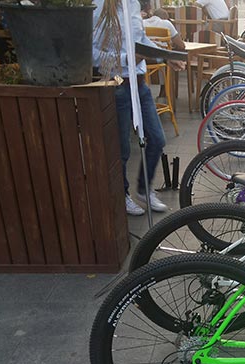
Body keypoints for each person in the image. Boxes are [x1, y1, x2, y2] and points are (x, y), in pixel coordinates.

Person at [92, 0, 186, 216]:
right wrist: (128, 59)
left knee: (157, 139)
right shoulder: (97, 6)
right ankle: (122, 194)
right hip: (115, 84)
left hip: (140, 83)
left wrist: (166, 57)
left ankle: (144, 189)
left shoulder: (132, 3)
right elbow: (92, 55)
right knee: (121, 148)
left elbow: (141, 41)